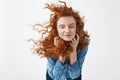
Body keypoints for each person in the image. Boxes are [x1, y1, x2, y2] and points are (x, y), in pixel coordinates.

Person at [31, 0, 90, 80]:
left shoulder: (83, 43)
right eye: (62, 27)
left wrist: (73, 52)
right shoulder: (49, 43)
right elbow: (55, 77)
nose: (67, 31)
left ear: (77, 27)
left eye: (71, 26)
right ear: (57, 29)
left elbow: (75, 75)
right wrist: (60, 51)